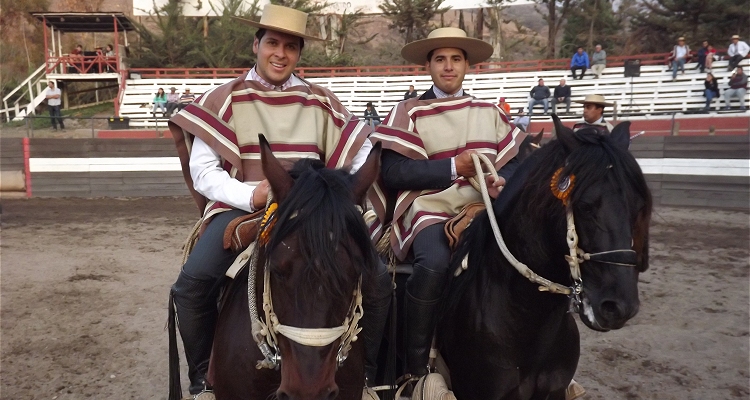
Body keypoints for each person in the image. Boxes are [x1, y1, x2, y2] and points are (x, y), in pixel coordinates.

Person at [167, 5, 391, 397]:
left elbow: (362, 154)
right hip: (243, 209)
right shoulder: (223, 98)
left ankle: (367, 375)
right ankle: (203, 378)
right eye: (272, 43)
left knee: (380, 282)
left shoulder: (321, 100)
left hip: (313, 215)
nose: (280, 54)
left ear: (299, 53)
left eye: (290, 46)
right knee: (192, 283)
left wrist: (337, 197)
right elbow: (204, 171)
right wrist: (250, 193)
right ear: (256, 45)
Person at [368, 27, 523, 378]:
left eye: (456, 59)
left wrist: (502, 180)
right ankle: (415, 366)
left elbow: (515, 165)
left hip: (486, 208)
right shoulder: (407, 111)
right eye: (440, 59)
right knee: (434, 262)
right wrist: (455, 167)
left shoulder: (491, 112)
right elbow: (393, 172)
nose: (448, 67)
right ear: (428, 66)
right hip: (428, 209)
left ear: (468, 65)